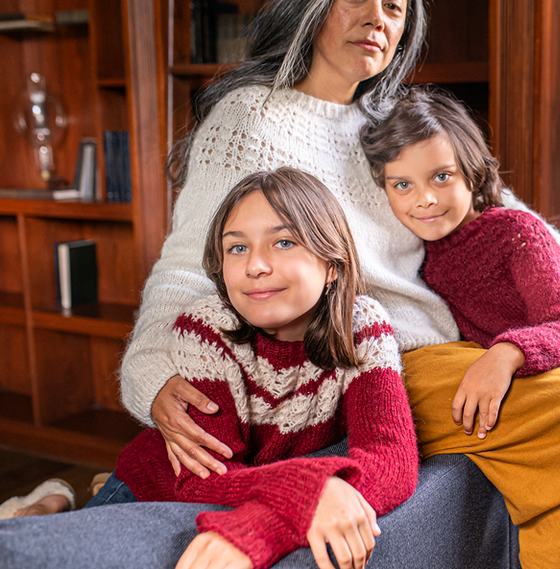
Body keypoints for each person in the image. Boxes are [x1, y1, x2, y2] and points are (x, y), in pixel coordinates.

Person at [8, 0, 560, 567]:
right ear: (313, 4)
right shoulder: (251, 119)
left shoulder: (387, 119)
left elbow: (489, 197)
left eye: (395, 5)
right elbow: (191, 265)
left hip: (448, 350)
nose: (377, 16)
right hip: (372, 355)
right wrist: (155, 377)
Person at [0, 167, 419, 569]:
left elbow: (393, 458)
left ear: (332, 264)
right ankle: (53, 502)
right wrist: (310, 487)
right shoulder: (207, 328)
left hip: (251, 489)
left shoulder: (363, 327)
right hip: (156, 486)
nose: (256, 265)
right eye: (237, 247)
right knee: (54, 546)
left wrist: (273, 520)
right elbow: (202, 476)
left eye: (284, 242)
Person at [360, 84, 560, 568]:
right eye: (402, 185)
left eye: (441, 177)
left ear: (472, 176)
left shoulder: (516, 233)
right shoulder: (424, 259)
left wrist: (507, 351)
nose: (424, 200)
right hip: (547, 386)